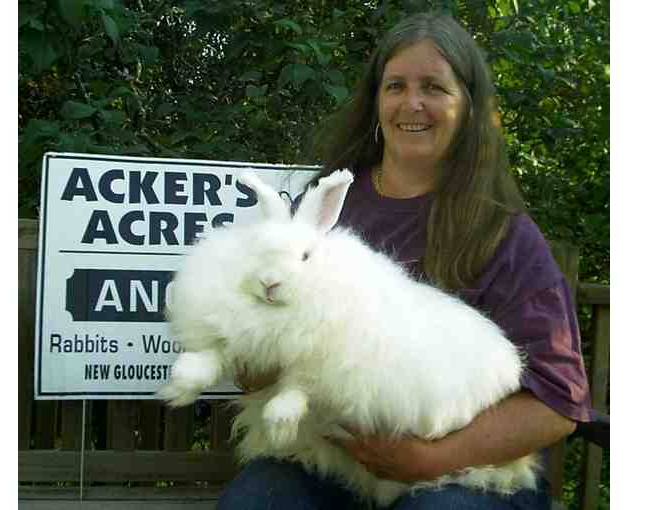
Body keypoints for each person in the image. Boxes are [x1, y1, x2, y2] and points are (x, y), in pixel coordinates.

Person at [217, 11, 592, 510]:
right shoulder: (327, 206)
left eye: (433, 87)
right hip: (330, 460)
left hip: (467, 474)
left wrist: (429, 460)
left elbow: (557, 404)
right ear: (376, 102)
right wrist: (258, 357)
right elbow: (257, 339)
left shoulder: (506, 235)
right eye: (395, 86)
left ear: (469, 108)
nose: (411, 103)